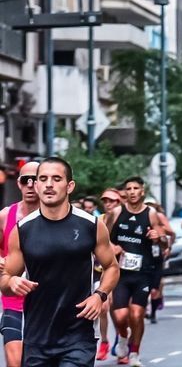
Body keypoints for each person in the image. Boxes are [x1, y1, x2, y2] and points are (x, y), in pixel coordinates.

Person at [1, 157, 119, 367]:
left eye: (56, 179)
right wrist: (11, 283)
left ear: (69, 186)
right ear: (36, 186)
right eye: (43, 179)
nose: (49, 184)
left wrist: (100, 295)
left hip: (78, 337)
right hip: (37, 338)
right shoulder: (22, 230)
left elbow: (111, 266)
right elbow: (6, 280)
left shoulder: (90, 225)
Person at [107, 176, 166, 366]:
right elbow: (102, 239)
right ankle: (123, 337)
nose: (132, 192)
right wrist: (112, 247)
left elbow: (164, 242)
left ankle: (134, 352)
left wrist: (159, 237)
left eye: (135, 188)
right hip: (121, 273)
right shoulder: (117, 212)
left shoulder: (151, 214)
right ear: (125, 192)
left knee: (137, 314)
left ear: (142, 191)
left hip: (143, 273)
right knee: (121, 316)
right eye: (129, 188)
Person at [0, 160, 38, 367]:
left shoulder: (58, 217)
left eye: (35, 180)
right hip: (13, 298)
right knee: (15, 363)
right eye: (26, 180)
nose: (31, 185)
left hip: (48, 302)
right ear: (19, 184)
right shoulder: (6, 216)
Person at [97, 188, 122, 359]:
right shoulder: (98, 220)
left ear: (119, 203)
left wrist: (120, 248)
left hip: (123, 271)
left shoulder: (125, 220)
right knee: (104, 307)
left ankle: (122, 340)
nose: (108, 204)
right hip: (101, 270)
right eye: (105, 201)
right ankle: (104, 341)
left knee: (119, 312)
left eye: (112, 201)